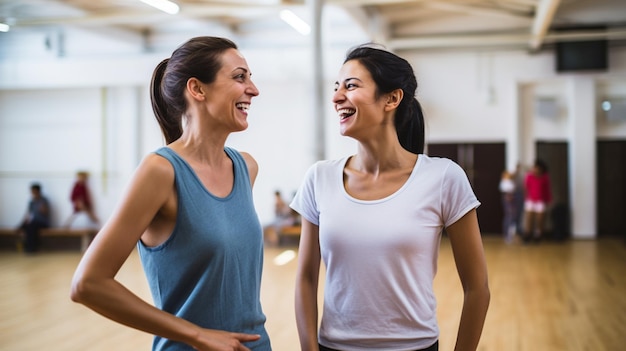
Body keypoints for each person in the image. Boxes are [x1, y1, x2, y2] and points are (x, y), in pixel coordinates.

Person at [70, 36, 271, 351]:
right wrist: (198, 335)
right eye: (239, 77)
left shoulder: (246, 167)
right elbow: (87, 284)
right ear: (197, 89)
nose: (254, 89)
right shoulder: (160, 171)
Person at [291, 44, 490, 351]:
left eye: (351, 85)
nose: (336, 97)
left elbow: (477, 289)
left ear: (392, 98)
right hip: (334, 346)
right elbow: (305, 278)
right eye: (336, 87)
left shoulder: (443, 178)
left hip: (416, 346)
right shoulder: (319, 178)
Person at [522, 159, 552, 243]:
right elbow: (525, 188)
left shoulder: (545, 177)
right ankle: (528, 235)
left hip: (540, 201)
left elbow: (547, 190)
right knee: (529, 218)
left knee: (540, 219)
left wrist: (548, 200)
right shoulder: (529, 176)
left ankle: (538, 235)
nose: (535, 170)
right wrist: (526, 198)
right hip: (530, 200)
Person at [18, 183, 51, 253]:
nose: (33, 193)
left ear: (38, 191)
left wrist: (43, 209)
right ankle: (27, 246)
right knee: (26, 226)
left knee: (31, 226)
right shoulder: (31, 202)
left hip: (42, 222)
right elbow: (28, 214)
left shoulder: (43, 200)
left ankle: (32, 247)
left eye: (34, 191)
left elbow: (46, 212)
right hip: (33, 222)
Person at [499, 169, 517, 244]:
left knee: (512, 216)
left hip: (512, 201)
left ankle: (510, 234)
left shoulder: (510, 182)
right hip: (508, 202)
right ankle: (507, 235)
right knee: (508, 216)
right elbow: (507, 192)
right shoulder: (504, 183)